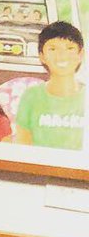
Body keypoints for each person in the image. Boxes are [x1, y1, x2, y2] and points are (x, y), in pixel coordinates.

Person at [13, 21, 85, 150]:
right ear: (42, 56)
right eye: (53, 49)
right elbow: (22, 148)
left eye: (70, 48)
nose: (62, 56)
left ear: (81, 54)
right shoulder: (31, 97)